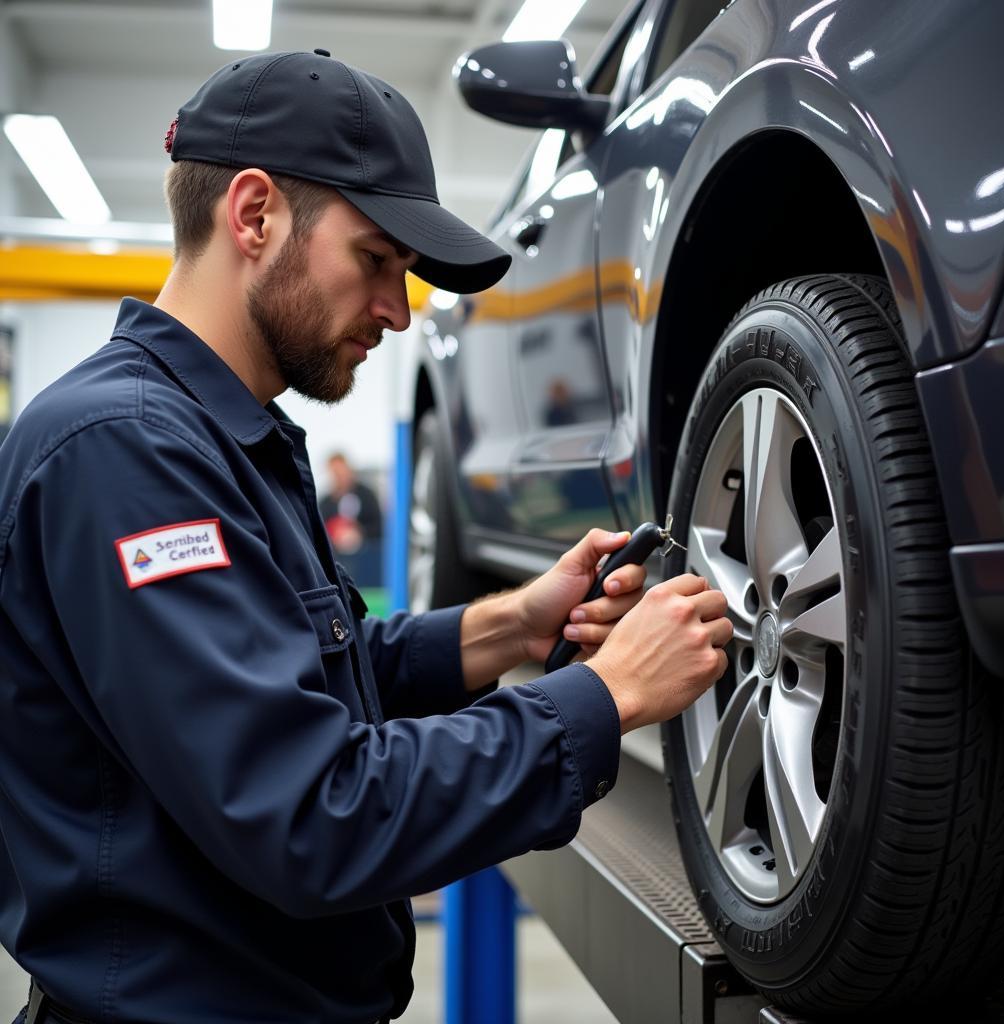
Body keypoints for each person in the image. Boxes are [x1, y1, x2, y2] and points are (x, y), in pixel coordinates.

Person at [0, 50, 732, 1024]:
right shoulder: (126, 455)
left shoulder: (222, 437)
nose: (397, 309)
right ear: (254, 215)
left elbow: (303, 672)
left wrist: (514, 625)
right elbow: (313, 815)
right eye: (376, 260)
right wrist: (602, 697)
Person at [319, 452, 384, 586]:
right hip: (337, 566)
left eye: (342, 472)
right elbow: (319, 532)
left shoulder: (366, 495)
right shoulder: (325, 503)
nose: (339, 477)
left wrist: (360, 532)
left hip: (368, 566)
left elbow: (380, 526)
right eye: (335, 473)